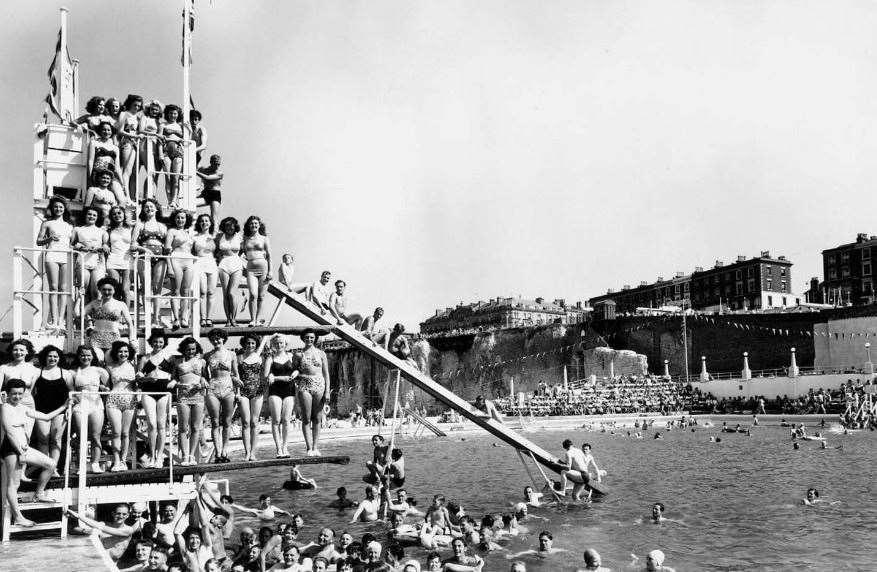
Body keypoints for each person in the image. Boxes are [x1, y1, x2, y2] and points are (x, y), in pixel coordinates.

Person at [2, 379, 66, 526]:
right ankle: (18, 517)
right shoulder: (5, 407)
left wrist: (64, 406)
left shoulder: (23, 408)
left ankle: (39, 493)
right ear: (8, 393)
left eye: (20, 394)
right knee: (13, 484)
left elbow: (46, 417)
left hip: (24, 448)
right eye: (13, 394)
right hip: (12, 448)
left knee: (51, 464)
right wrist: (20, 453)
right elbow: (10, 432)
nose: (17, 397)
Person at [30, 344, 72, 467]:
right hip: (41, 410)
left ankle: (53, 468)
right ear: (45, 357)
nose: (52, 358)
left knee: (56, 439)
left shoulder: (66, 373)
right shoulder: (38, 372)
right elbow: (30, 394)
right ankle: (45, 467)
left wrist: (69, 408)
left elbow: (72, 393)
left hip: (60, 410)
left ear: (59, 358)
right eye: (50, 356)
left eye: (55, 356)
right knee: (43, 439)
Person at [290, 328, 330, 456]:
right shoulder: (298, 354)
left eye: (312, 337)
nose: (309, 339)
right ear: (303, 338)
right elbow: (295, 370)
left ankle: (315, 447)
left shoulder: (321, 353)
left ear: (315, 339)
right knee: (306, 418)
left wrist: (327, 391)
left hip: (319, 385)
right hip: (304, 385)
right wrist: (295, 374)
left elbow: (326, 373)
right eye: (307, 337)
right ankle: (308, 448)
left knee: (317, 418)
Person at [35, 195, 73, 329]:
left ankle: (61, 320)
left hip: (65, 256)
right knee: (53, 288)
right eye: (56, 206)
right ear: (52, 208)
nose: (58, 209)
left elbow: (72, 242)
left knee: (63, 289)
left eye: (61, 207)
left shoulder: (69, 225)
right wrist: (49, 238)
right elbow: (38, 241)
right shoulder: (47, 223)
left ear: (64, 209)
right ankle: (54, 320)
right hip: (52, 255)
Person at [137, 332, 174, 468]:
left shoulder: (169, 358)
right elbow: (138, 377)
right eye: (155, 342)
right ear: (151, 342)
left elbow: (177, 374)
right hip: (148, 392)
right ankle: (152, 456)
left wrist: (174, 381)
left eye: (160, 342)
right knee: (152, 424)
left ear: (164, 343)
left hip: (164, 392)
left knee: (161, 425)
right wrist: (147, 378)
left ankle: (159, 457)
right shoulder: (145, 358)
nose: (158, 344)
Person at [72, 345, 110, 473]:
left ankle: (95, 463)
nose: (85, 357)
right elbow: (70, 390)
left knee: (95, 436)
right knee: (81, 437)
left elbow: (107, 387)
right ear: (78, 356)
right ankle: (81, 465)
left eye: (88, 355)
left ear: (93, 356)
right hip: (80, 404)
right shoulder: (73, 372)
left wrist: (104, 388)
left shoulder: (100, 371)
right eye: (83, 355)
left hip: (96, 404)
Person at [204, 328, 239, 463]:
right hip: (213, 389)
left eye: (218, 338)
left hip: (228, 388)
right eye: (213, 339)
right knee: (214, 421)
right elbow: (205, 375)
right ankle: (217, 452)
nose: (216, 341)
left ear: (223, 338)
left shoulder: (232, 354)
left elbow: (236, 374)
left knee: (227, 422)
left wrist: (238, 393)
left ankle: (225, 450)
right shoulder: (207, 355)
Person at [173, 337, 208, 465]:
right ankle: (184, 456)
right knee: (183, 427)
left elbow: (205, 379)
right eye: (188, 349)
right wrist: (180, 386)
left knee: (195, 427)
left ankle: (192, 455)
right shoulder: (177, 362)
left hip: (198, 396)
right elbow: (173, 381)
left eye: (193, 349)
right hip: (183, 397)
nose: (191, 351)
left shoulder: (202, 362)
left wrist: (203, 381)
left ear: (196, 349)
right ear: (183, 349)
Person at [66, 503, 145, 561]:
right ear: (113, 514)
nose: (121, 516)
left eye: (124, 514)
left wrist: (78, 516)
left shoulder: (128, 530)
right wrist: (73, 519)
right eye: (118, 513)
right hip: (97, 561)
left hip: (112, 564)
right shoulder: (104, 524)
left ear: (127, 515)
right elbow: (76, 529)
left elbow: (99, 526)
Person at [132, 198, 168, 326]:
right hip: (144, 257)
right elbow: (133, 245)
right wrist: (145, 250)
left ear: (156, 209)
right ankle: (147, 315)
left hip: (160, 258)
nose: (149, 209)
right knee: (145, 287)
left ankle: (155, 318)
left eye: (152, 206)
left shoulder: (162, 226)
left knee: (157, 288)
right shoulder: (140, 224)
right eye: (146, 207)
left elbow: (167, 245)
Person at [105, 341, 138, 471]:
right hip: (113, 400)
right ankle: (116, 460)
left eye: (125, 351)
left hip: (129, 400)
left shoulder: (134, 366)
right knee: (116, 432)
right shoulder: (110, 367)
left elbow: (137, 384)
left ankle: (123, 460)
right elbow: (107, 385)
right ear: (115, 353)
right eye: (120, 351)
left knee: (125, 433)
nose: (123, 354)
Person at [264, 334, 296, 458]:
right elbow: (266, 376)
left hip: (289, 390)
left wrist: (296, 372)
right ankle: (278, 449)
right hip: (275, 390)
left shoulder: (291, 356)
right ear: (273, 344)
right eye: (276, 343)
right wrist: (277, 377)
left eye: (281, 343)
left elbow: (298, 369)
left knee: (287, 420)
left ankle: (285, 447)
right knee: (276, 420)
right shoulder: (270, 358)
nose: (279, 345)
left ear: (285, 344)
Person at [83, 276, 134, 352]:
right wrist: (79, 297)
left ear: (114, 290)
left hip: (114, 340)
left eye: (109, 290)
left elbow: (130, 323)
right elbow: (78, 314)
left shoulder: (121, 304)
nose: (106, 292)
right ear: (100, 290)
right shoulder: (95, 303)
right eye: (104, 290)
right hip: (96, 340)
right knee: (98, 361)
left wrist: (131, 339)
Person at [164, 209, 195, 329]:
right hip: (176, 259)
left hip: (188, 261)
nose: (180, 220)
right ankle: (176, 318)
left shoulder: (188, 232)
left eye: (182, 218)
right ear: (174, 219)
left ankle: (184, 318)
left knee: (186, 292)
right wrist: (170, 267)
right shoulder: (171, 231)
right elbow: (167, 250)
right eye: (178, 217)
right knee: (175, 291)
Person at [236, 334, 265, 461]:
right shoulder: (239, 358)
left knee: (254, 422)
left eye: (253, 343)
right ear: (244, 344)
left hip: (257, 392)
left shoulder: (260, 358)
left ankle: (253, 452)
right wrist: (236, 390)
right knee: (246, 422)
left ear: (256, 344)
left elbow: (265, 374)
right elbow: (234, 375)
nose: (250, 345)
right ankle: (246, 452)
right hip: (243, 392)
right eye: (248, 343)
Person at [72, 205, 109, 303]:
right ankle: (83, 315)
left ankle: (95, 315)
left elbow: (106, 245)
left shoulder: (102, 231)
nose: (91, 217)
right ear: (85, 215)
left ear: (97, 217)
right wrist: (80, 246)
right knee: (83, 288)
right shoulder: (78, 229)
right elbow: (71, 245)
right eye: (89, 214)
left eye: (94, 215)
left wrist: (105, 247)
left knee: (97, 291)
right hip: (83, 262)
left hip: (98, 262)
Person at [242, 215, 272, 326]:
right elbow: (240, 253)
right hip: (250, 268)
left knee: (261, 296)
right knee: (253, 294)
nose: (253, 225)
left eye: (255, 223)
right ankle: (252, 319)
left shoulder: (264, 239)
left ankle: (258, 319)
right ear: (248, 226)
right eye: (251, 223)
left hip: (263, 267)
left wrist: (271, 271)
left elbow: (269, 255)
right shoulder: (245, 239)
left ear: (259, 225)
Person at [86, 121, 127, 202]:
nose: (106, 132)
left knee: (122, 199)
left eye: (108, 130)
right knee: (100, 198)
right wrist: (90, 178)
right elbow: (90, 161)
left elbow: (118, 167)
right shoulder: (94, 143)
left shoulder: (115, 148)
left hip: (111, 175)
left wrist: (123, 183)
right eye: (104, 129)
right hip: (98, 173)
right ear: (100, 131)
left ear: (111, 132)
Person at [215, 216, 243, 327]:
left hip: (236, 264)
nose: (229, 227)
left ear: (235, 226)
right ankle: (228, 319)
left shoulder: (239, 237)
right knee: (225, 294)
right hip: (223, 265)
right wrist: (219, 258)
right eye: (226, 225)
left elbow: (243, 250)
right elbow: (215, 250)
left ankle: (234, 319)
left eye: (231, 225)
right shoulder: (219, 236)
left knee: (232, 293)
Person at [105, 206, 134, 307]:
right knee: (115, 288)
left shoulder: (131, 228)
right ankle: (116, 315)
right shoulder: (109, 230)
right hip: (113, 259)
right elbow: (106, 243)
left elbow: (135, 243)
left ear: (124, 214)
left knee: (125, 289)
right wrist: (105, 245)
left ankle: (125, 317)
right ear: (111, 217)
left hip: (127, 259)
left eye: (119, 213)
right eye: (114, 214)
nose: (117, 215)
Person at [192, 213, 218, 327]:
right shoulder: (195, 237)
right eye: (202, 221)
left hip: (211, 263)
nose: (204, 223)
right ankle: (202, 318)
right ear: (199, 223)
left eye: (207, 221)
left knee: (211, 292)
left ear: (210, 223)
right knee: (202, 292)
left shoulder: (215, 237)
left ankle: (209, 318)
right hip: (199, 263)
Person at [116, 94, 143, 201]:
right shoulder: (124, 114)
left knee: (134, 172)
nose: (136, 108)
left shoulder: (138, 117)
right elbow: (120, 131)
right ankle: (125, 195)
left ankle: (132, 195)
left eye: (138, 106)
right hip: (127, 142)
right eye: (135, 105)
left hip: (136, 144)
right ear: (130, 104)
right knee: (126, 170)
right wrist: (135, 136)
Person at [160, 104, 185, 206]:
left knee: (176, 178)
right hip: (166, 150)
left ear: (178, 114)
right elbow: (159, 140)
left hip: (177, 151)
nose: (173, 115)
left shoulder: (181, 126)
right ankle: (169, 200)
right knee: (168, 177)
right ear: (167, 114)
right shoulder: (163, 125)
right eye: (171, 113)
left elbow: (186, 139)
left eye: (175, 113)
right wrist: (160, 154)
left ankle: (174, 201)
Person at [138, 100, 163, 199]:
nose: (154, 111)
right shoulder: (145, 118)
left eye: (156, 110)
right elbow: (141, 130)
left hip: (156, 146)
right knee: (150, 171)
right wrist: (155, 134)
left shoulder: (158, 122)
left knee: (156, 173)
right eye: (152, 109)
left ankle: (152, 195)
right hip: (146, 143)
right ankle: (146, 196)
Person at [197, 154, 223, 222]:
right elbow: (197, 163)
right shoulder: (205, 170)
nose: (217, 166)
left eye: (218, 164)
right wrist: (197, 154)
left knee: (214, 216)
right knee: (192, 203)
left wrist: (195, 172)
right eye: (215, 164)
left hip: (215, 195)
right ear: (211, 162)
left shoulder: (220, 173)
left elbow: (207, 178)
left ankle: (215, 232)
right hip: (206, 193)